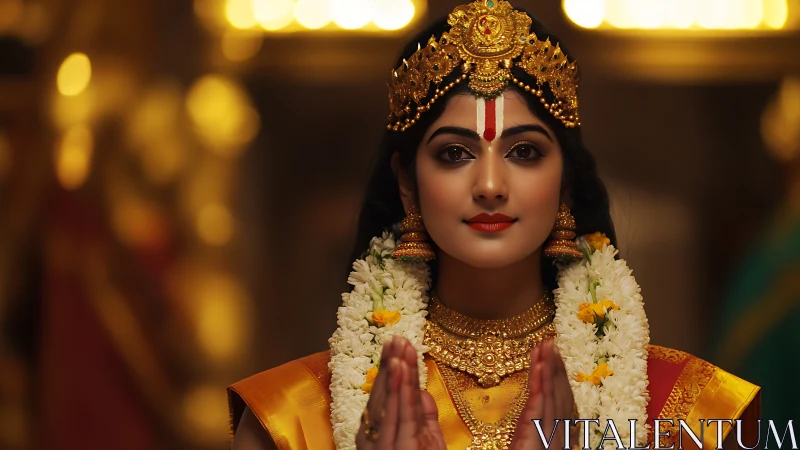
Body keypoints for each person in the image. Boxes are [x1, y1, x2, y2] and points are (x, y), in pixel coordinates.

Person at [228, 1, 760, 449]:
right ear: (407, 182)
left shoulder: (692, 416)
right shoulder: (291, 421)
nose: (489, 184)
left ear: (567, 182)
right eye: (455, 153)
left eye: (524, 151)